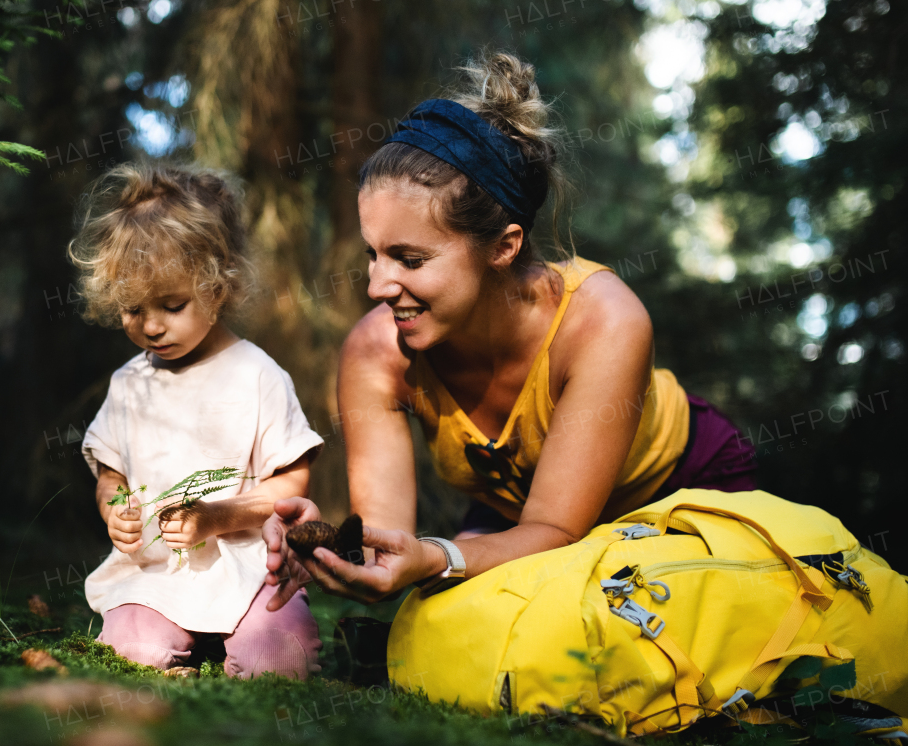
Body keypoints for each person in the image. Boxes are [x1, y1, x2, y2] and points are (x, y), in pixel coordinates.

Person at [263, 52, 757, 609]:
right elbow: (389, 550)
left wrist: (442, 555)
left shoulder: (604, 321)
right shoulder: (376, 353)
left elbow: (557, 531)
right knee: (451, 618)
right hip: (521, 518)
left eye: (409, 259)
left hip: (680, 488)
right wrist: (330, 547)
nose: (377, 285)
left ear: (504, 246)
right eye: (373, 255)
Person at [69, 161, 324, 678]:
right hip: (158, 572)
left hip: (248, 566)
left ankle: (242, 641)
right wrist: (112, 508)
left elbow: (291, 482)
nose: (152, 326)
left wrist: (215, 518)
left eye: (172, 304)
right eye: (133, 309)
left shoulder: (257, 375)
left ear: (219, 285)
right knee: (129, 648)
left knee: (279, 656)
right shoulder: (129, 383)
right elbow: (110, 472)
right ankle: (174, 643)